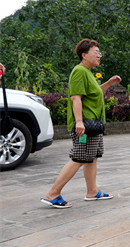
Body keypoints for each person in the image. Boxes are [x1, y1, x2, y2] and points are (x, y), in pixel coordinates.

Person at [41, 39, 121, 208]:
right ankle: (53, 194)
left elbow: (94, 93)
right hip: (84, 125)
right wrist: (79, 122)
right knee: (79, 157)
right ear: (84, 55)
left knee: (91, 158)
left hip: (93, 124)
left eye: (100, 53)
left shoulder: (87, 72)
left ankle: (92, 191)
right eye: (96, 53)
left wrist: (109, 83)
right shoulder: (79, 71)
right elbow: (76, 98)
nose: (99, 56)